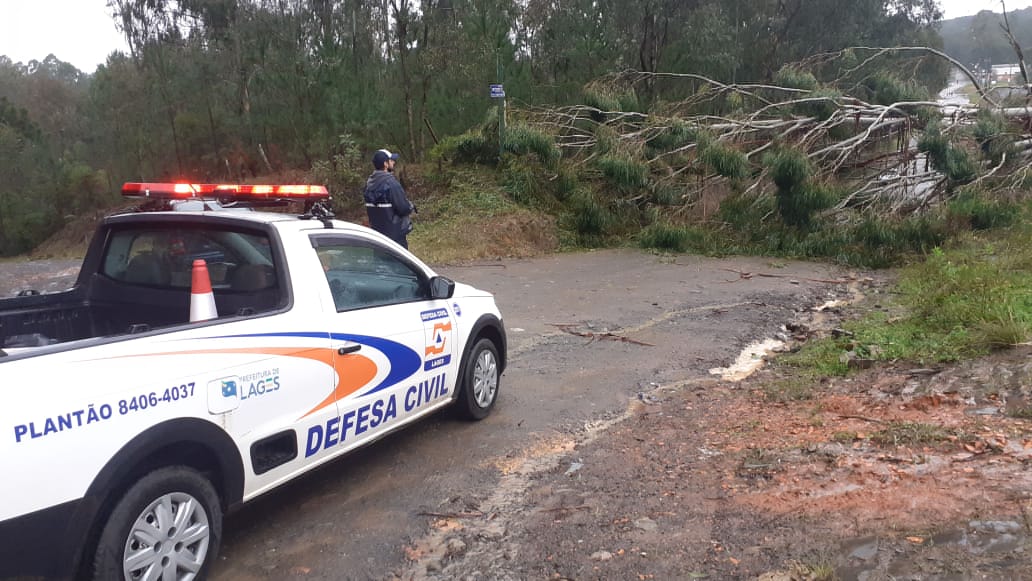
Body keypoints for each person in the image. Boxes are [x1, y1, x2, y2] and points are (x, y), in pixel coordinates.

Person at [363, 148, 416, 248]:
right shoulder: (391, 183)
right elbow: (403, 208)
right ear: (385, 164)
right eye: (391, 160)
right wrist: (411, 206)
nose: (394, 162)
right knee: (399, 263)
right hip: (395, 238)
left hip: (378, 238)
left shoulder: (368, 185)